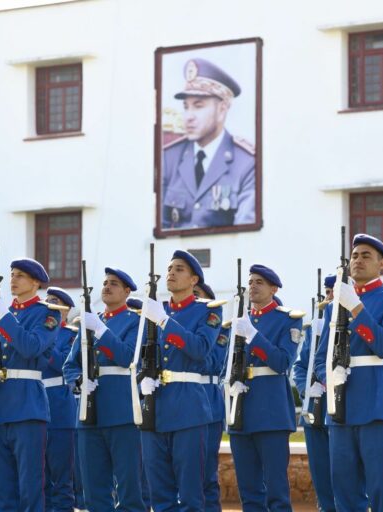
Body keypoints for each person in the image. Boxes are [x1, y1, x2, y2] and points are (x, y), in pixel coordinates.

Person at [314, 234, 383, 511]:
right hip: (342, 405)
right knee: (344, 492)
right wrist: (330, 379)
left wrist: (355, 306)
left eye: (366, 255)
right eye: (355, 255)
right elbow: (322, 357)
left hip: (378, 403)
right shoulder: (334, 308)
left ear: (382, 263)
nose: (358, 260)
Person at [139, 250, 223, 511]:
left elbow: (199, 349)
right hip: (155, 405)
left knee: (190, 492)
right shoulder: (155, 311)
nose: (171, 274)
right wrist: (142, 380)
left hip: (188, 406)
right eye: (169, 269)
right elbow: (141, 355)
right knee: (159, 491)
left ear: (194, 280)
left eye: (179, 269)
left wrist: (164, 321)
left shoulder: (208, 312)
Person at [63, 268, 145, 512]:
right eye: (105, 283)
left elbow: (127, 357)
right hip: (90, 411)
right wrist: (78, 381)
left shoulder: (134, 321)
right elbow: (70, 364)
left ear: (127, 291)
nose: (107, 287)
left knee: (129, 487)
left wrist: (100, 330)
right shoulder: (90, 321)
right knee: (93, 488)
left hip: (121, 410)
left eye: (114, 284)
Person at [0, 258, 60, 511]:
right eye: (11, 274)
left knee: (30, 487)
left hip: (27, 406)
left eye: (20, 276)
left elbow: (31, 347)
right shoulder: (3, 315)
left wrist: (3, 316)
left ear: (35, 282)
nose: (13, 280)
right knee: (2, 488)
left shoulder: (47, 313)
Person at [228, 264, 302, 511]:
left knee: (276, 490)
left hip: (270, 411)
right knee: (249, 491)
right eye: (250, 282)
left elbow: (282, 362)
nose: (253, 286)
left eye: (259, 282)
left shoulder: (287, 319)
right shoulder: (237, 322)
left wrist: (252, 335)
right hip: (241, 408)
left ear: (273, 288)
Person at [162, 58, 255, 230]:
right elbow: (159, 227)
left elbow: (246, 233)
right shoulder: (169, 157)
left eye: (198, 106)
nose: (188, 116)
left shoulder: (247, 163)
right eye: (186, 107)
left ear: (222, 110)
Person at [292, 275, 336, 512]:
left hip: (341, 407)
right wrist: (306, 389)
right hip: (315, 409)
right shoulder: (314, 328)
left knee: (345, 475)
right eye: (327, 291)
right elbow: (300, 366)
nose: (329, 296)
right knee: (321, 474)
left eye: (333, 291)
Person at [43, 287, 78, 512]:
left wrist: (44, 342)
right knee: (39, 478)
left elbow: (64, 365)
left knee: (61, 478)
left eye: (54, 302)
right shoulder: (38, 331)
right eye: (46, 302)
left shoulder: (71, 335)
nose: (48, 305)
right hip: (33, 404)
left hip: (59, 406)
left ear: (64, 310)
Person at [193, 281, 227, 512]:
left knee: (206, 474)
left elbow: (213, 362)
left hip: (208, 403)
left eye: (197, 295)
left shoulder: (219, 329)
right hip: (179, 403)